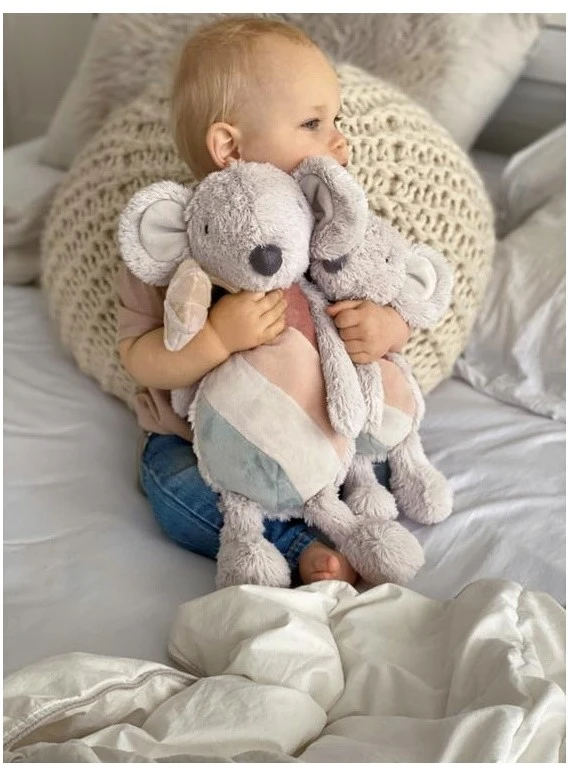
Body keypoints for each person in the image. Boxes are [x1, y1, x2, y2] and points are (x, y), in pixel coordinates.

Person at [117, 15, 412, 586]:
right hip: (206, 445)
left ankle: (351, 518)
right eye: (312, 123)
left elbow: (386, 283)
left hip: (321, 426)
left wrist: (388, 326)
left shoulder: (333, 221)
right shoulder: (175, 239)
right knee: (170, 488)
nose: (339, 141)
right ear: (229, 146)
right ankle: (296, 546)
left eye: (336, 120)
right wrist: (216, 338)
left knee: (377, 454)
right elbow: (139, 357)